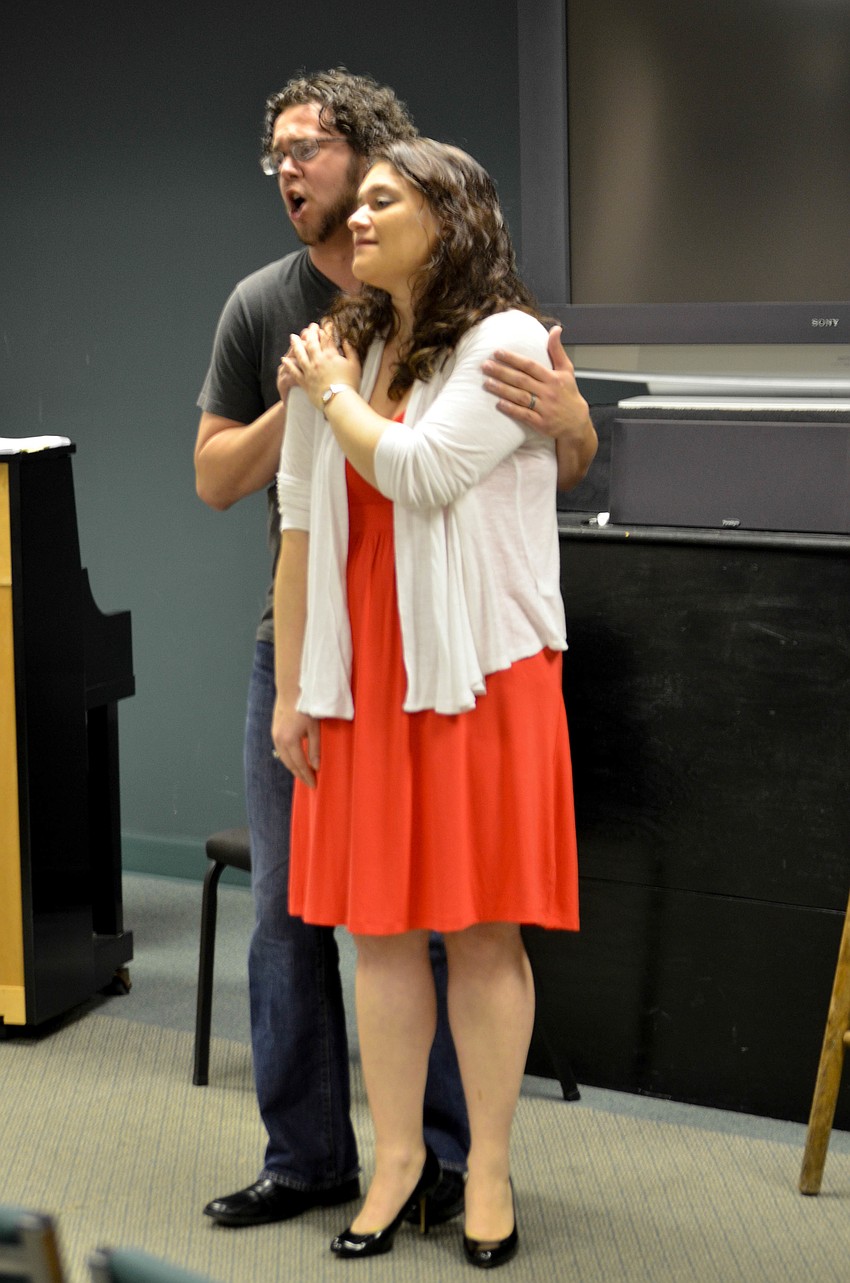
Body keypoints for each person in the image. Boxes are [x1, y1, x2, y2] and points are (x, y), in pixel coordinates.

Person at [194, 69, 596, 1231]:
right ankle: (372, 1165)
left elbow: (426, 472)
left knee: (475, 929)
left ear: (446, 217)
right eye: (281, 160)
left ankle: (481, 1171)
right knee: (358, 930)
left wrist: (326, 393)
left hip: (470, 672)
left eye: (379, 196)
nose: (349, 209)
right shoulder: (324, 334)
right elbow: (291, 517)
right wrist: (296, 691)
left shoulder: (500, 338)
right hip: (351, 676)